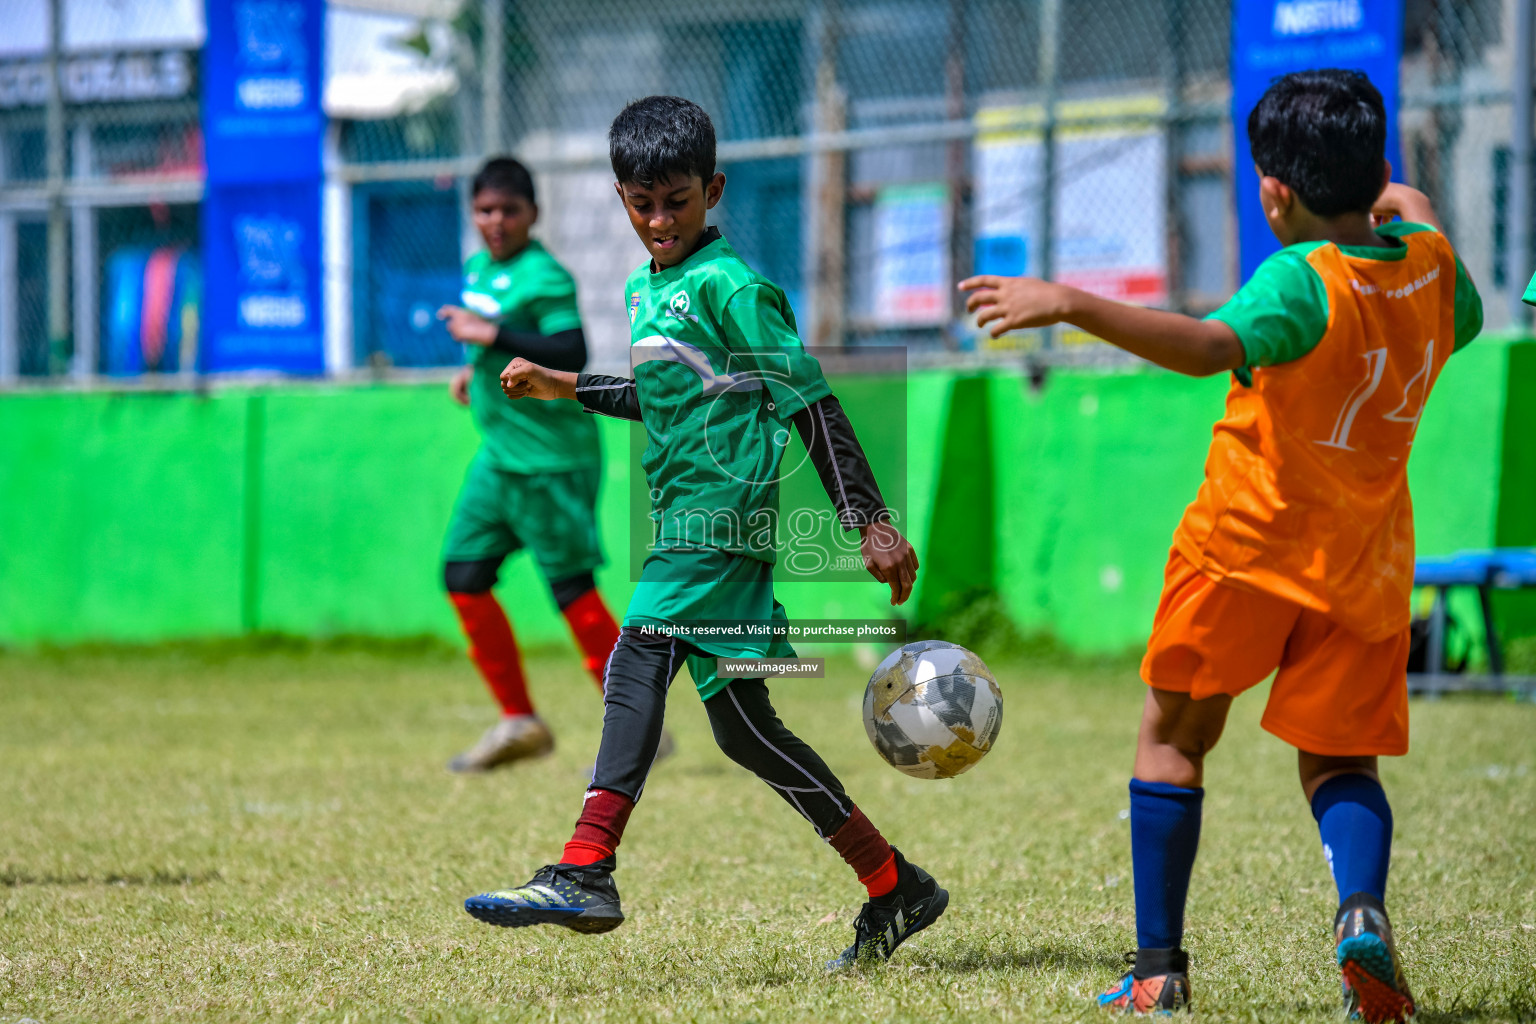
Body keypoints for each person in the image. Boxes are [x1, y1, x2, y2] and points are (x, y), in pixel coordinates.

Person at [961, 69, 1481, 1020]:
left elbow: (1207, 348)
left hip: (1242, 552)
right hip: (1363, 567)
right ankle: (1359, 911)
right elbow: (1416, 216)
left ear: (1274, 192)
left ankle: (1158, 971)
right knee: (1341, 764)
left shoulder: (1297, 282)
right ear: (1377, 171)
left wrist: (1068, 302)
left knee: (1173, 736)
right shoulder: (1436, 269)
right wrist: (1398, 198)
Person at [464, 96, 946, 969]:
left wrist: (869, 524)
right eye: (641, 203)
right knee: (743, 731)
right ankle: (893, 885)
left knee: (635, 654)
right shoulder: (649, 289)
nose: (659, 220)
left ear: (711, 189)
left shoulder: (733, 286)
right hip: (686, 516)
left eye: (676, 200)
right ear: (620, 197)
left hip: (718, 519)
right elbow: (663, 396)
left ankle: (585, 866)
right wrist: (565, 385)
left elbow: (807, 399)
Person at [434, 157, 638, 773]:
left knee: (571, 591)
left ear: (533, 214)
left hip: (551, 462)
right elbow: (496, 345)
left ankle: (638, 728)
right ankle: (519, 721)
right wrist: (471, 374)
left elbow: (568, 349)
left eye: (509, 210)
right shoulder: (478, 269)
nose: (496, 222)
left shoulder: (545, 274)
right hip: (499, 460)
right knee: (463, 575)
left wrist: (489, 336)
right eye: (485, 210)